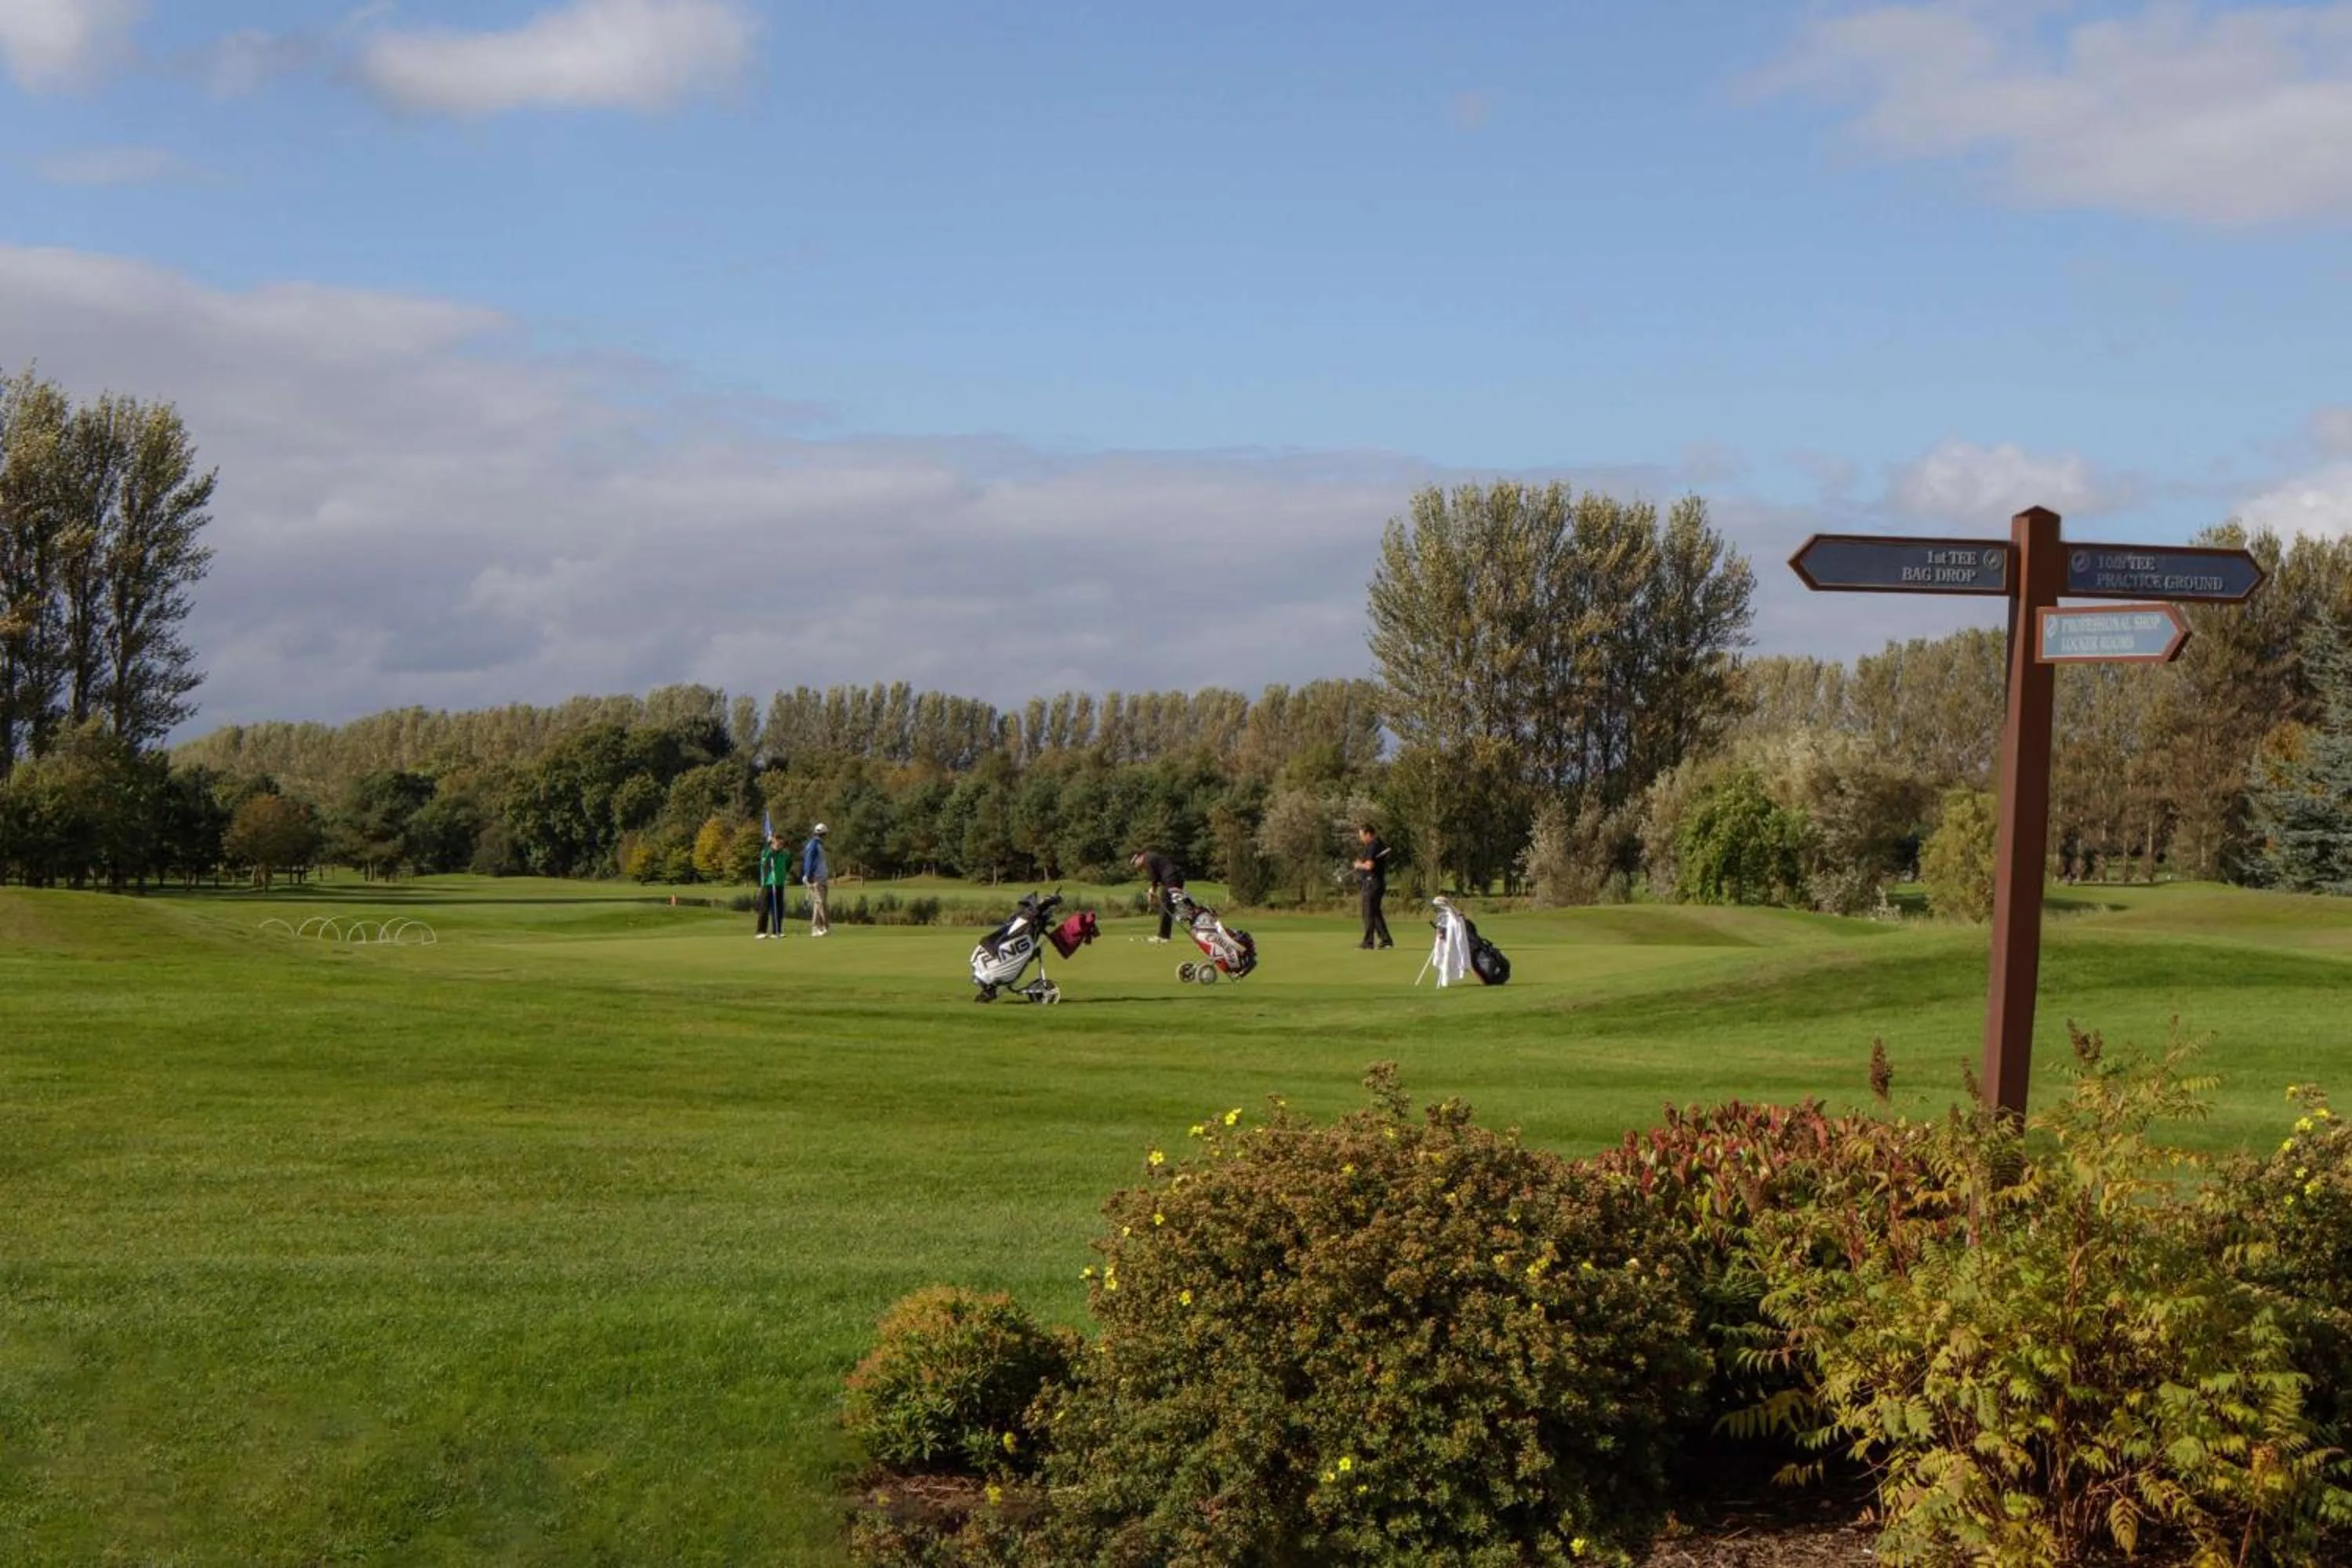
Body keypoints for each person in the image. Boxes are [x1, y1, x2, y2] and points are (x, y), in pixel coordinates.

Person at [1352, 822, 1393, 949]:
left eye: (1362, 836)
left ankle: (1368, 942)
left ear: (1368, 834)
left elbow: (1369, 866)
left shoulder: (1373, 845)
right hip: (1377, 883)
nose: (1361, 839)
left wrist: (1359, 866)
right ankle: (1386, 940)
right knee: (1375, 913)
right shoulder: (1378, 844)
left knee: (1368, 913)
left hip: (1372, 883)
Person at [1130, 848, 1185, 943]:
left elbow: (1154, 879)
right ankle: (1165, 935)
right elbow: (1157, 878)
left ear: (1139, 857)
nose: (1138, 868)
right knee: (1169, 907)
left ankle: (1163, 936)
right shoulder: (1151, 857)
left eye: (1136, 864)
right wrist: (1153, 891)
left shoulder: (1147, 859)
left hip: (1171, 879)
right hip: (1175, 878)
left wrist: (1151, 892)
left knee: (1165, 906)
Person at [756, 833, 792, 939]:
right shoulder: (767, 852)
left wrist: (784, 873)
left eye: (781, 842)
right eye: (777, 842)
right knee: (765, 908)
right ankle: (761, 931)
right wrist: (772, 851)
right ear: (773, 842)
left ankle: (777, 931)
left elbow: (789, 863)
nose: (779, 844)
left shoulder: (785, 854)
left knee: (779, 909)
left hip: (779, 883)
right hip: (768, 883)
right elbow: (764, 863)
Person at [802, 822, 832, 936]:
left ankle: (815, 929)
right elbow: (809, 862)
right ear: (823, 834)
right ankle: (825, 927)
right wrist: (809, 877)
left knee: (817, 904)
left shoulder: (819, 845)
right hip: (815, 879)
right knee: (821, 903)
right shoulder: (813, 845)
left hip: (822, 879)